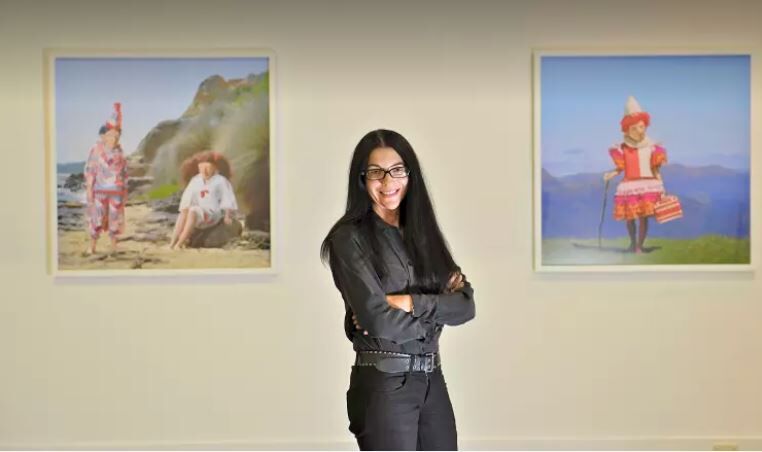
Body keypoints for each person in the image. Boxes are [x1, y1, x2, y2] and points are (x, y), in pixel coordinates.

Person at [321, 129, 475, 450]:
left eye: (397, 170)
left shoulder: (423, 233)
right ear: (362, 179)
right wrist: (436, 312)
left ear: (410, 174)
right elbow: (378, 321)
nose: (388, 181)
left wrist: (408, 302)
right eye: (376, 172)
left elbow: (465, 305)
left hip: (433, 380)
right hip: (385, 383)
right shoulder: (349, 239)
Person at [603, 96, 668, 253]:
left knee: (644, 217)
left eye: (641, 127)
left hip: (648, 184)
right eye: (635, 128)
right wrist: (612, 174)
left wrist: (662, 186)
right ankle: (633, 243)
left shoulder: (652, 148)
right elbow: (621, 167)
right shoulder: (622, 148)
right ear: (627, 130)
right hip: (630, 185)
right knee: (630, 216)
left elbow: (655, 169)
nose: (640, 131)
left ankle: (639, 245)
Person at [169, 150, 238, 249]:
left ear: (215, 167)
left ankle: (179, 244)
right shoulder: (195, 180)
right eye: (201, 168)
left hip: (212, 215)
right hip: (198, 215)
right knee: (183, 214)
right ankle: (172, 243)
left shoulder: (220, 181)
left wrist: (227, 216)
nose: (204, 171)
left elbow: (227, 198)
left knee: (193, 211)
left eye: (208, 168)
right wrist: (185, 210)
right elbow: (187, 198)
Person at [84, 102, 127, 256]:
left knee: (115, 219)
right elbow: (90, 171)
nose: (114, 138)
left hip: (116, 191)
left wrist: (124, 191)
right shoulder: (96, 150)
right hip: (100, 190)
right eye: (112, 135)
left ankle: (114, 247)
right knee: (97, 217)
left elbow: (124, 173)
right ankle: (92, 246)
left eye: (117, 135)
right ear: (105, 135)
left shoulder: (120, 152)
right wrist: (89, 189)